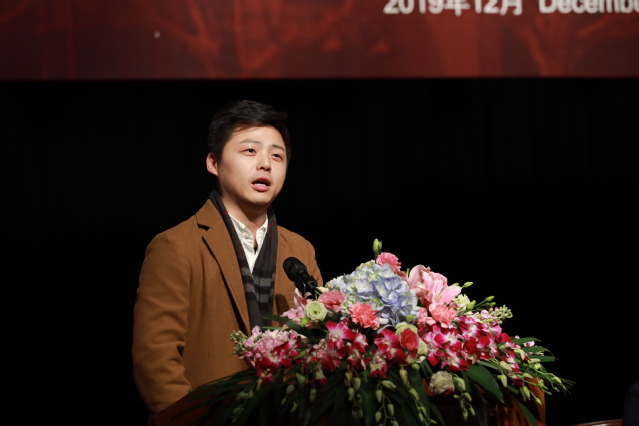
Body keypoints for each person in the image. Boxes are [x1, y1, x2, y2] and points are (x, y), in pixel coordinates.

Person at [132, 99, 323, 424]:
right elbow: (155, 358)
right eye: (250, 151)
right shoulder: (175, 246)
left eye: (277, 156)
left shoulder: (300, 250)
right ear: (213, 162)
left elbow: (319, 348)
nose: (266, 164)